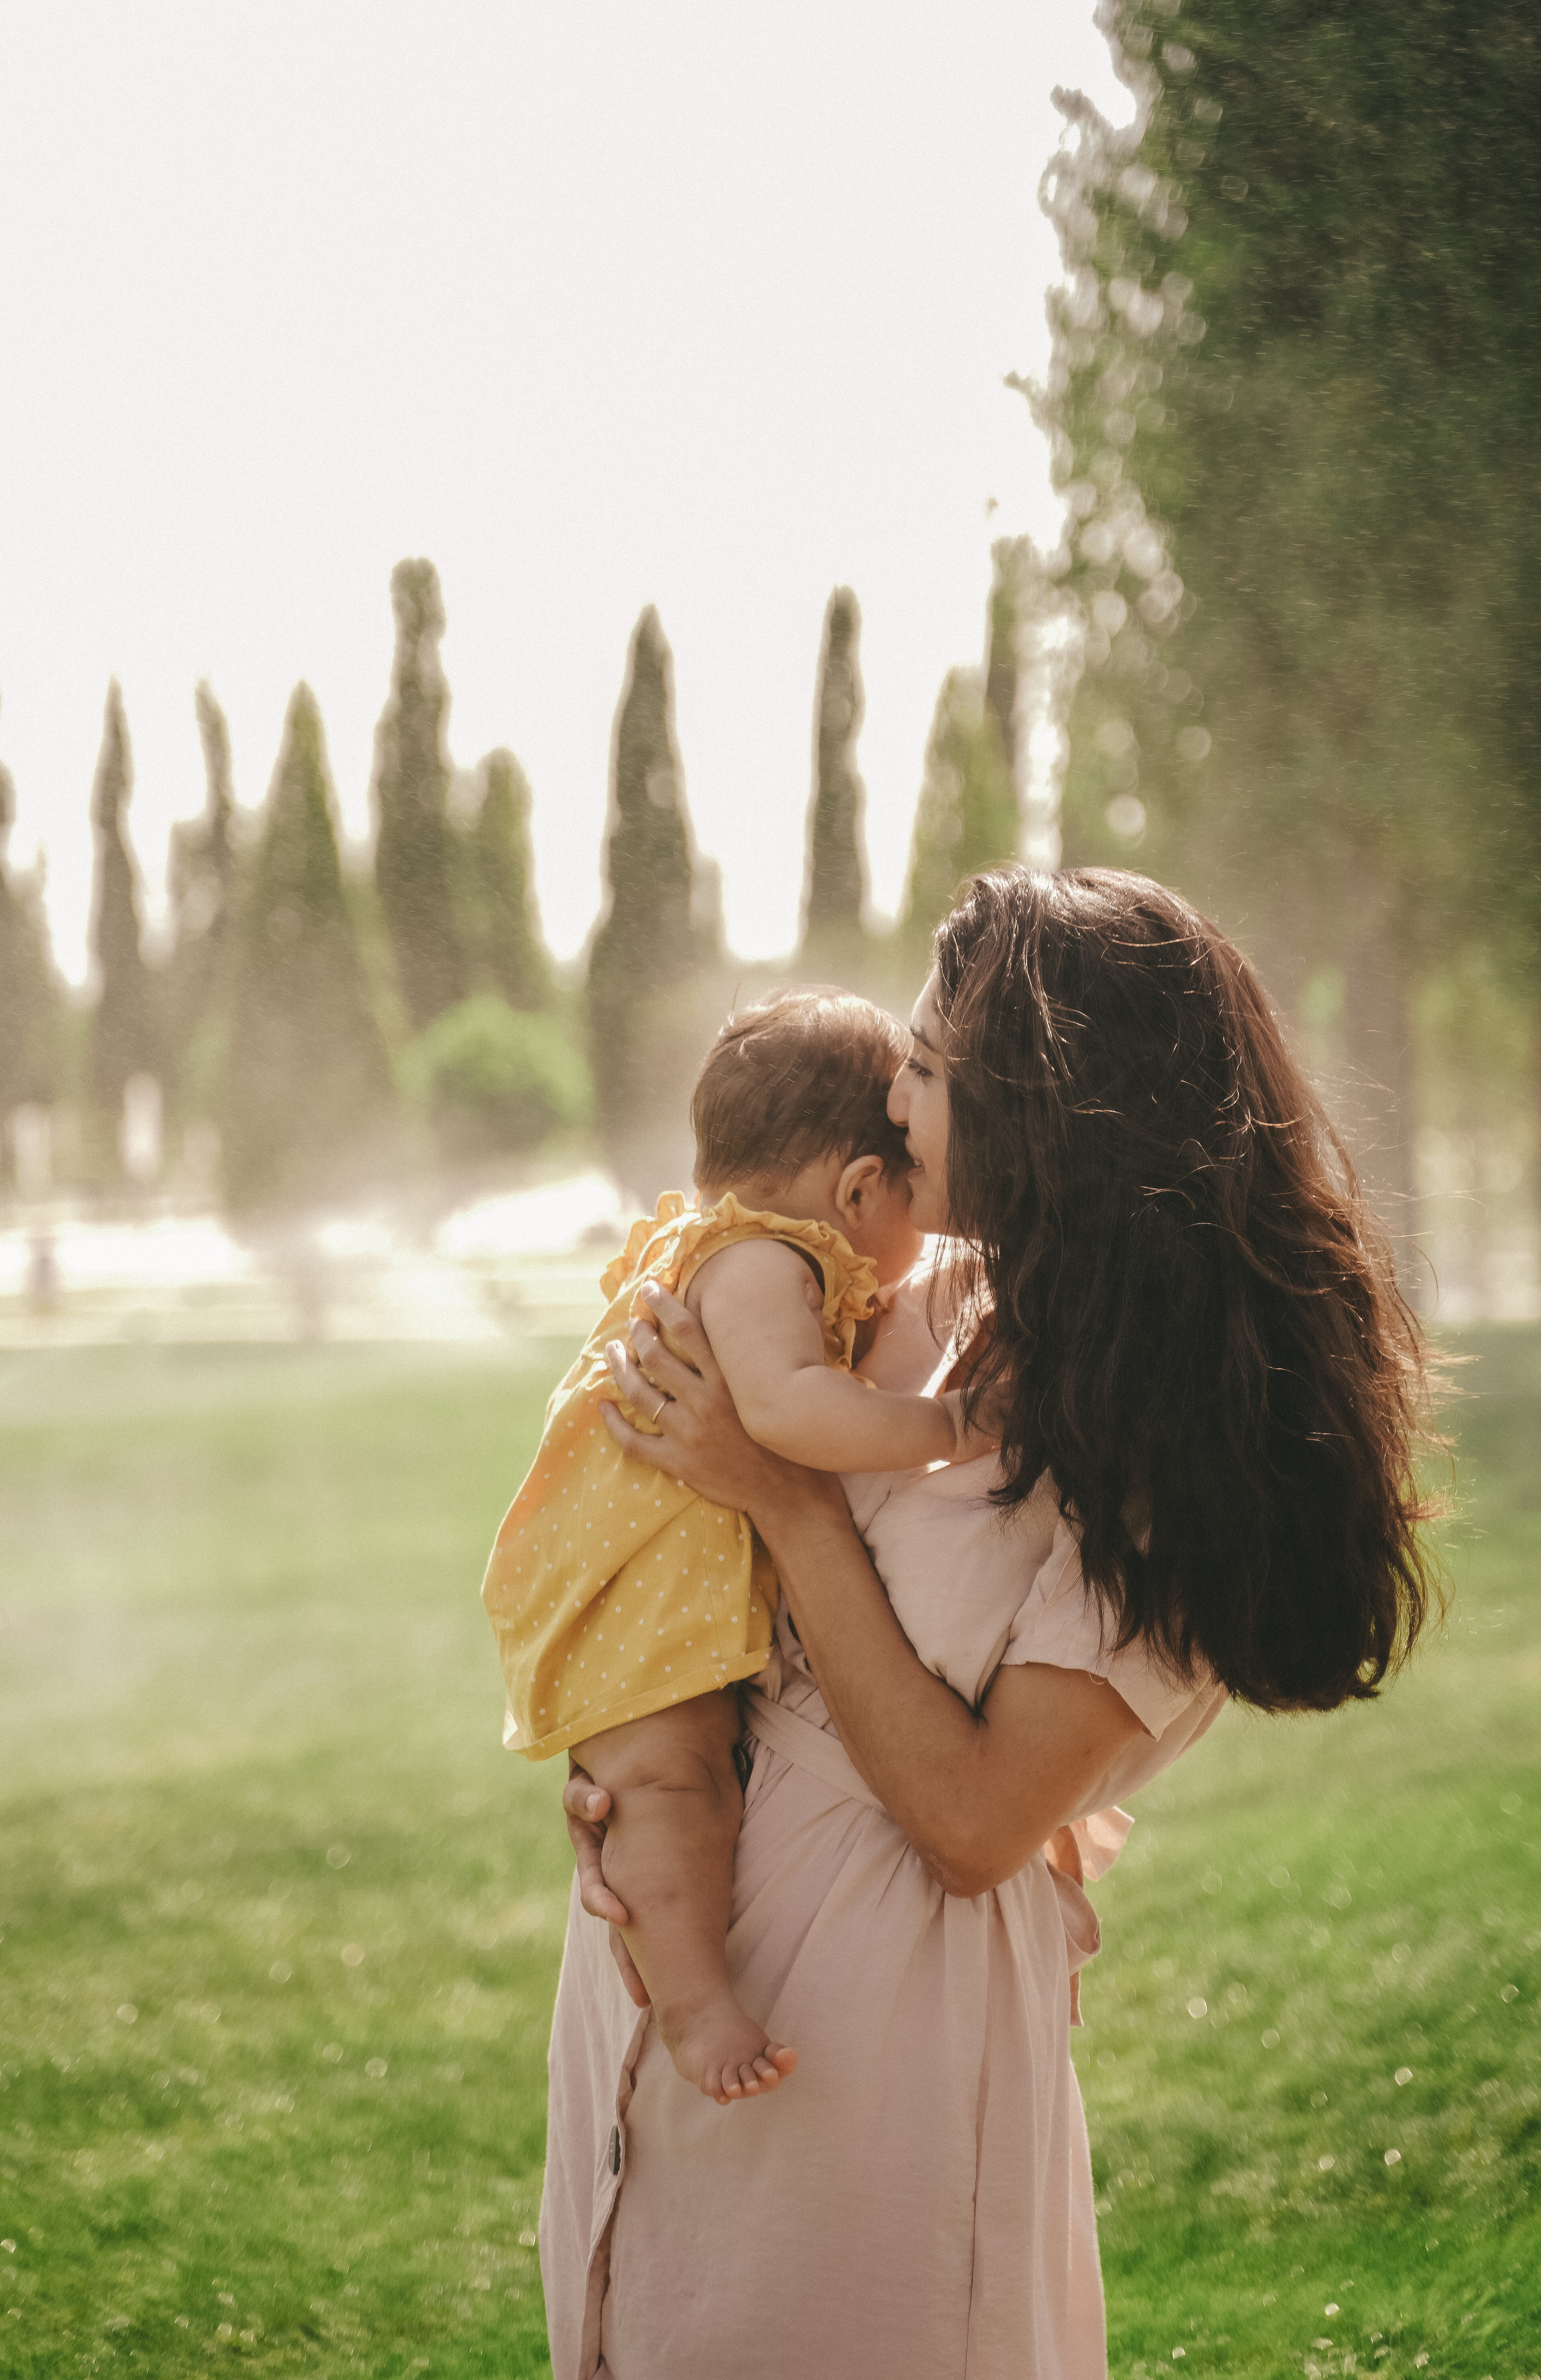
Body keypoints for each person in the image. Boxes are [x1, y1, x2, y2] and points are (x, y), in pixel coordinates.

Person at [537, 868, 1441, 2380]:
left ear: (1048, 1110)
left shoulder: (1178, 1458)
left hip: (871, 2031)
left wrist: (785, 1499)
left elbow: (970, 1819)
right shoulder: (916, 1295)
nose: (890, 1097)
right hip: (665, 1975)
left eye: (931, 1071)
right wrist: (635, 1769)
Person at [483, 989, 994, 2108]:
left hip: (660, 1594)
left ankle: (682, 1982)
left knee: (674, 1789)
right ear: (860, 1189)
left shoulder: (737, 1244)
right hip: (641, 1603)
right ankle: (692, 2002)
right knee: (672, 1792)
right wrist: (948, 1427)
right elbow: (787, 1413)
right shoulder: (769, 1262)